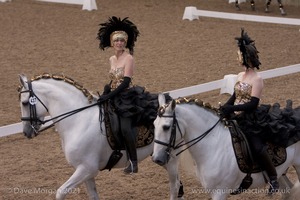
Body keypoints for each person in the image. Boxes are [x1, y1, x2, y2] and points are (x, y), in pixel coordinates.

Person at [96, 16, 167, 174]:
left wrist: (111, 94)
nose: (119, 43)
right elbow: (114, 79)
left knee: (125, 127)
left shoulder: (129, 58)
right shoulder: (112, 59)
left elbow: (126, 81)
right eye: (117, 40)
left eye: (122, 41)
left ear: (125, 43)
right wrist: (107, 89)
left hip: (127, 97)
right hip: (114, 94)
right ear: (112, 43)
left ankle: (133, 162)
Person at [220, 28, 279, 193]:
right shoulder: (239, 75)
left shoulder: (257, 79)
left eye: (239, 54)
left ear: (246, 57)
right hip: (235, 115)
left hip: (250, 118)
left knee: (257, 147)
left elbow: (253, 103)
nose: (237, 57)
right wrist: (225, 107)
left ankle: (273, 178)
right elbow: (235, 95)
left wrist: (233, 108)